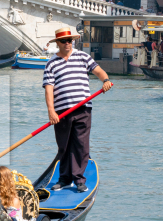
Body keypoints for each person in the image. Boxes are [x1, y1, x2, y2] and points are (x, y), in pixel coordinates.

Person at [43, 25, 112, 193]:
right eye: (64, 41)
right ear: (58, 43)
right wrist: (51, 111)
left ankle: (79, 180)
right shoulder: (51, 63)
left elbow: (98, 71)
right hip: (61, 112)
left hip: (83, 109)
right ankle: (65, 179)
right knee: (64, 146)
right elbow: (48, 88)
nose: (68, 43)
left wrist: (106, 80)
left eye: (70, 41)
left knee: (81, 145)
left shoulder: (83, 57)